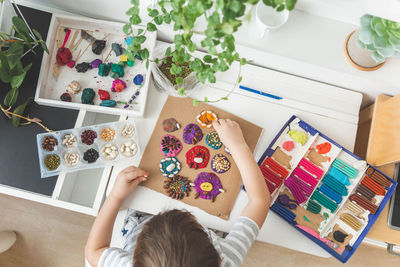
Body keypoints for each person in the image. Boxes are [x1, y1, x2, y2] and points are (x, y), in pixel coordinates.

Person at [85, 119, 270, 267]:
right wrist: (238, 146)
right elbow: (260, 200)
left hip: (137, 221)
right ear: (219, 261)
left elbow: (94, 251)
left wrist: (115, 196)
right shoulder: (229, 259)